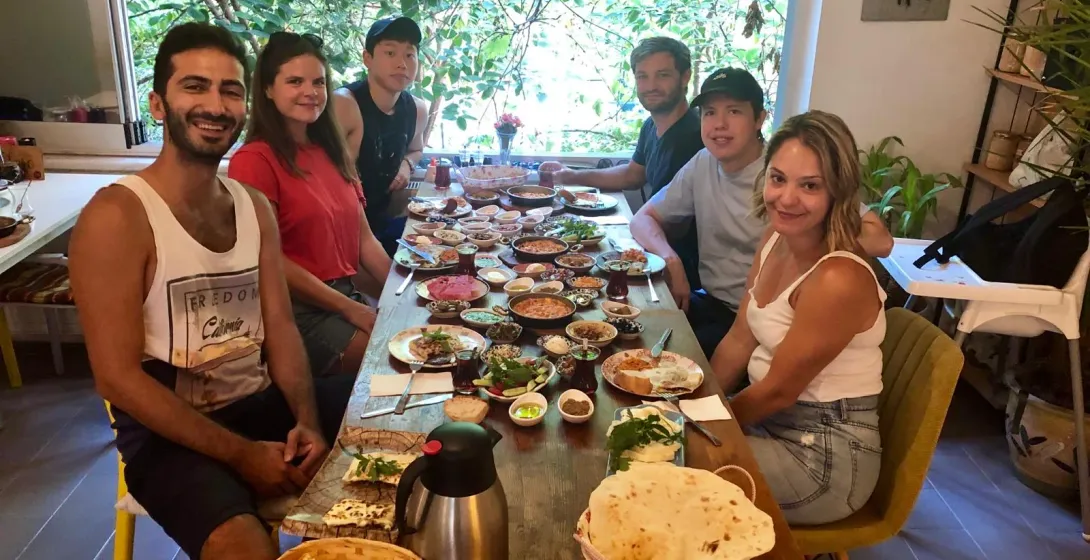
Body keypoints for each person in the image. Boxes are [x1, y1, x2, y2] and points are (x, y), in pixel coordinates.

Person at [68, 23, 352, 560]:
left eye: (230, 90)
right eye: (194, 86)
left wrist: (307, 422)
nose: (216, 106)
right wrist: (244, 457)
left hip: (259, 405)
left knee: (406, 416)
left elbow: (282, 328)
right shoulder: (117, 216)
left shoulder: (252, 207)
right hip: (169, 440)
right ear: (157, 103)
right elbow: (118, 379)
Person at [631, 67, 894, 358]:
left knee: (666, 364)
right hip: (712, 303)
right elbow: (642, 219)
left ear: (759, 119)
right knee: (636, 330)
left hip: (765, 321)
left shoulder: (783, 173)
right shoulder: (704, 162)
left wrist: (809, 236)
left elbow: (881, 241)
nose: (719, 124)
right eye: (709, 113)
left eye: (733, 112)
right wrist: (671, 259)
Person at [710, 110, 885, 525]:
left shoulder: (838, 277)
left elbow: (778, 392)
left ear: (837, 193)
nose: (786, 199)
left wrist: (703, 427)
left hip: (824, 456)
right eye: (777, 178)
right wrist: (699, 406)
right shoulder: (775, 238)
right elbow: (739, 339)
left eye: (809, 186)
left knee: (670, 466)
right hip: (769, 426)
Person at [229, 32, 391, 377]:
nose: (310, 91)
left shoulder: (331, 153)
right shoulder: (253, 160)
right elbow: (269, 259)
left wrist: (404, 290)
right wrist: (351, 309)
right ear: (268, 90)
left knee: (425, 341)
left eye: (318, 81)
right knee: (390, 364)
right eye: (294, 81)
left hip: (346, 297)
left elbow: (365, 241)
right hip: (297, 312)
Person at [542, 37, 703, 286]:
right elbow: (632, 175)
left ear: (685, 77)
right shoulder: (652, 126)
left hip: (677, 266)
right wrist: (569, 175)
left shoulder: (695, 137)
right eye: (642, 76)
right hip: (654, 247)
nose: (651, 86)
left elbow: (675, 224)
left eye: (662, 75)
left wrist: (623, 242)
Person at [334, 16, 428, 256]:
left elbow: (416, 149)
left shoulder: (417, 109)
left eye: (409, 55)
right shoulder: (345, 103)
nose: (402, 64)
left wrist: (407, 165)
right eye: (389, 53)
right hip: (341, 233)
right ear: (368, 58)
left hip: (380, 224)